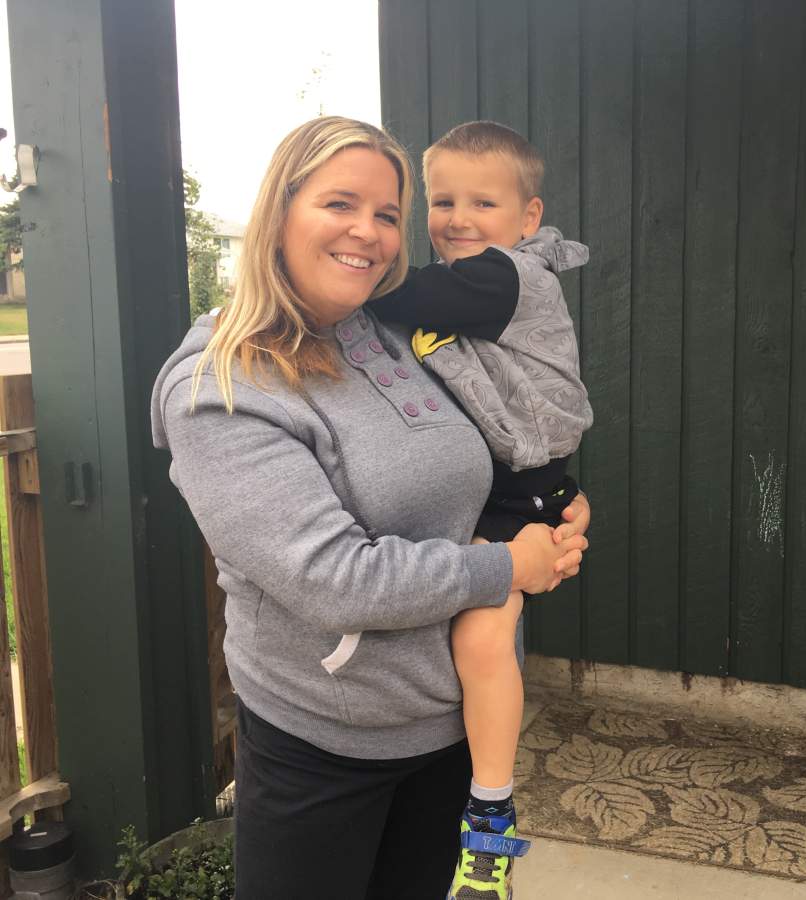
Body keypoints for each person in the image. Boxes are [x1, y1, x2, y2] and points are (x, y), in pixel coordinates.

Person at [149, 116, 590, 899]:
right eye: (340, 204)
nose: (370, 232)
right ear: (280, 211)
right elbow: (335, 579)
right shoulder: (223, 387)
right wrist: (505, 565)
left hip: (448, 728)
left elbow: (491, 440)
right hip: (327, 746)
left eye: (387, 213)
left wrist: (556, 510)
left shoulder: (393, 331)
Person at [369, 121, 591, 900]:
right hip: (517, 483)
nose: (458, 217)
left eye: (483, 202)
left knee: (483, 635)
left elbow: (393, 294)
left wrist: (330, 263)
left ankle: (490, 814)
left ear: (528, 219)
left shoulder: (506, 278)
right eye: (442, 201)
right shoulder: (468, 278)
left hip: (517, 489)